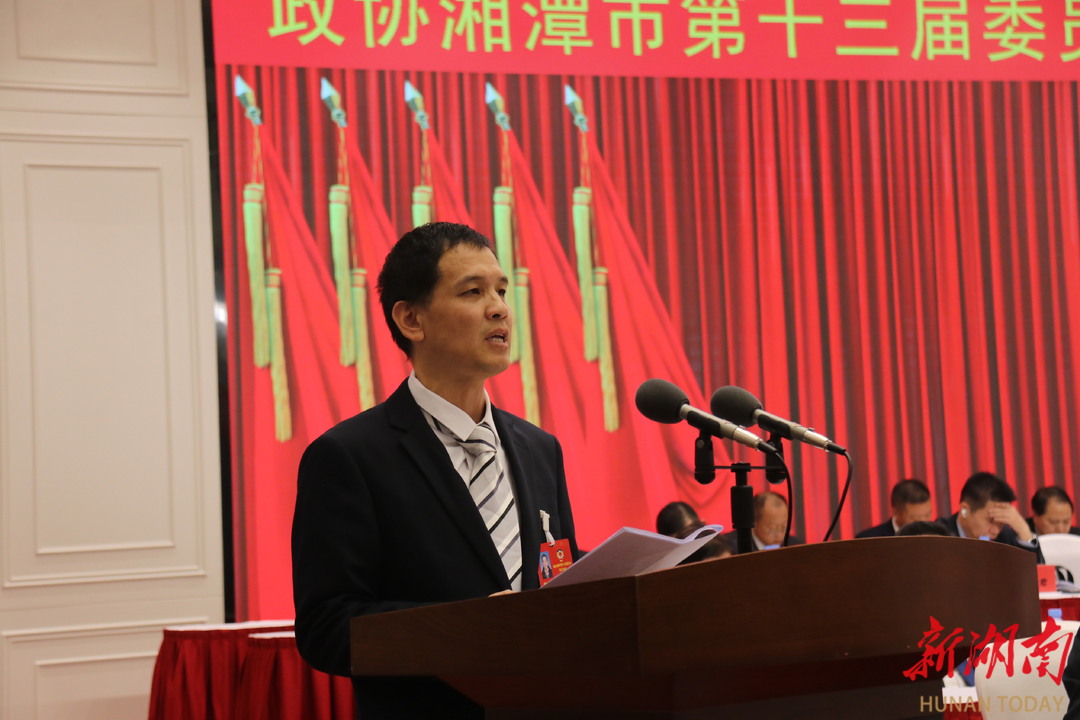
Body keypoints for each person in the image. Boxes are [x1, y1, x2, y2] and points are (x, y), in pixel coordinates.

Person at [291, 222, 580, 719]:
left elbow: (553, 568)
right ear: (411, 319)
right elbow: (327, 628)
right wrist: (466, 628)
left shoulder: (539, 448)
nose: (499, 308)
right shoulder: (349, 456)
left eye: (501, 290)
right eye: (473, 292)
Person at [937, 472, 1042, 562]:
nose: (995, 531)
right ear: (965, 510)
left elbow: (1037, 573)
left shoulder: (1005, 537)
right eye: (991, 521)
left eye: (1001, 523)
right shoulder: (938, 536)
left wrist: (1024, 531)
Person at [723, 491, 804, 553]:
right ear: (754, 522)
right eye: (772, 530)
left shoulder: (796, 547)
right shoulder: (730, 548)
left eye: (783, 528)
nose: (779, 535)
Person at [856, 479, 934, 538]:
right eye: (915, 518)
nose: (924, 524)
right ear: (896, 512)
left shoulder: (938, 537)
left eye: (927, 515)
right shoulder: (869, 539)